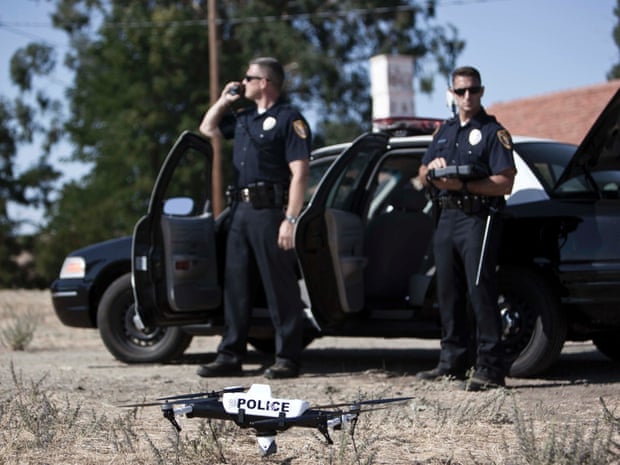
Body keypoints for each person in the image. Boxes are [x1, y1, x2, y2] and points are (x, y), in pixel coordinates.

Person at [197, 57, 311, 379]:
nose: (242, 82)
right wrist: (223, 99)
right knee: (236, 285)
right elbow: (207, 128)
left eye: (248, 78)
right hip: (240, 212)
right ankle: (230, 354)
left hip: (270, 211)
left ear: (265, 83)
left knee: (280, 287)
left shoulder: (290, 120)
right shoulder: (244, 118)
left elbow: (300, 172)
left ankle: (288, 357)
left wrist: (290, 219)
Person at [416, 66, 516, 391]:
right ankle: (452, 362)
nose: (467, 96)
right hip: (446, 217)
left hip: (477, 218)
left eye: (473, 90)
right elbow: (420, 174)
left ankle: (490, 369)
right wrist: (431, 170)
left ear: (482, 92)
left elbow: (505, 182)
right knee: (448, 291)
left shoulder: (492, 132)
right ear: (452, 94)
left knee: (479, 290)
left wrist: (463, 186)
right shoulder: (443, 132)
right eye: (461, 91)